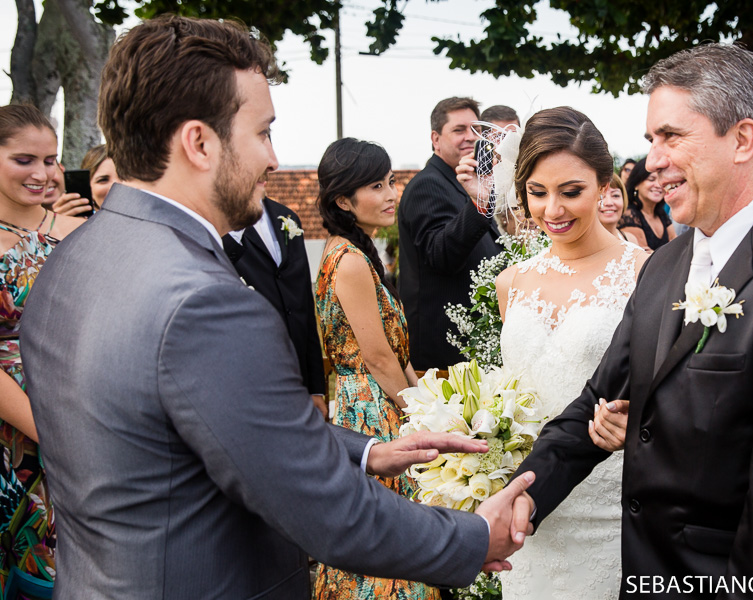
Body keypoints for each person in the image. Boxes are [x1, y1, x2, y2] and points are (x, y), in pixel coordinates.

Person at [18, 16, 535, 599]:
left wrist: (367, 450)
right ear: (199, 143)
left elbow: (206, 428)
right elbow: (329, 513)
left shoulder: (67, 261)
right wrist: (470, 536)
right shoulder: (205, 302)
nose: (273, 157)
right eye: (262, 132)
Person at [515, 43, 753, 598]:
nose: (653, 160)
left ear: (742, 139)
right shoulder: (664, 265)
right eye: (650, 140)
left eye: (671, 136)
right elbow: (597, 400)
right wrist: (522, 496)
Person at [489, 107, 647, 600]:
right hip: (529, 506)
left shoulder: (647, 273)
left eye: (571, 191)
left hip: (610, 506)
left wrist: (636, 422)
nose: (552, 209)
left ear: (605, 185)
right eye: (537, 193)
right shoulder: (510, 283)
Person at [313, 138, 438, 600]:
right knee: (386, 536)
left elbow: (395, 354)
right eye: (375, 185)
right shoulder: (347, 261)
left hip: (374, 398)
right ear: (343, 201)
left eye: (390, 181)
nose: (390, 194)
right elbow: (378, 356)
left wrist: (427, 407)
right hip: (369, 408)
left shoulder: (355, 251)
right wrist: (420, 415)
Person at [0, 103, 83, 598]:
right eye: (24, 160)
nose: (42, 173)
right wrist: (50, 431)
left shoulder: (77, 231)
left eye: (50, 160)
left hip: (83, 415)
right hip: (16, 434)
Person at [398, 97, 500, 370]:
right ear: (435, 138)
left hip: (473, 346)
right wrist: (478, 204)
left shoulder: (468, 181)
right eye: (459, 130)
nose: (469, 138)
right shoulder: (427, 185)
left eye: (475, 130)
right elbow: (441, 255)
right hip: (441, 352)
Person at [223, 196, 328, 419]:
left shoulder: (288, 217)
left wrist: (315, 387)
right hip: (251, 375)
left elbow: (304, 306)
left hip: (298, 374)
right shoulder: (221, 220)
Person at [619, 157, 675, 251]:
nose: (658, 185)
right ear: (636, 184)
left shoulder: (661, 214)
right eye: (651, 179)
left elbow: (676, 243)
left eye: (661, 180)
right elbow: (644, 255)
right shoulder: (629, 215)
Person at [53, 144, 120, 216]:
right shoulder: (79, 224)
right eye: (103, 180)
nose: (116, 186)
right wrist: (59, 224)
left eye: (125, 178)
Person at [599, 173, 640, 245]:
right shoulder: (580, 246)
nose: (609, 203)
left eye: (615, 195)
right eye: (602, 196)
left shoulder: (631, 239)